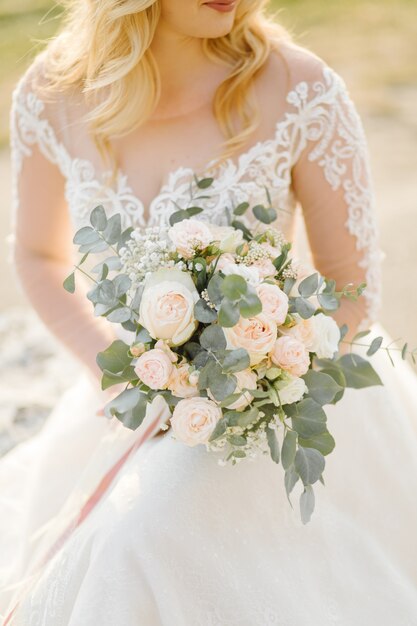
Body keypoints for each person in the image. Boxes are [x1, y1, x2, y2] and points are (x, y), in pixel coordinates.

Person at [1, 0, 417, 623]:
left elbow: (350, 288)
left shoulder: (301, 89)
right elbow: (36, 255)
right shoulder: (53, 93)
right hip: (131, 395)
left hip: (280, 396)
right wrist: (118, 373)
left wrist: (254, 379)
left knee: (138, 539)